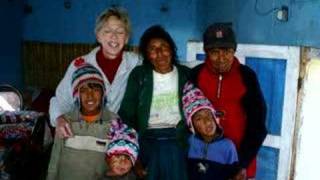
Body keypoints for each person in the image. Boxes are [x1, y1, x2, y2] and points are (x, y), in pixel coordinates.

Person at [49, 7, 141, 138]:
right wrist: (59, 119)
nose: (114, 36)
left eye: (120, 32)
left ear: (126, 38)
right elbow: (60, 99)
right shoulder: (80, 65)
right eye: (107, 31)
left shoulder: (136, 62)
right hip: (83, 131)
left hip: (117, 134)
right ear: (98, 36)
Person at [191, 23, 267, 179]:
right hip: (204, 163)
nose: (221, 58)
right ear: (206, 52)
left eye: (227, 51)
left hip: (239, 162)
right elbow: (187, 118)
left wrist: (243, 163)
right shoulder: (196, 75)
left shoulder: (246, 76)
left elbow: (257, 125)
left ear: (234, 51)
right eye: (214, 52)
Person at [118, 25, 190, 180]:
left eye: (164, 47)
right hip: (148, 137)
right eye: (153, 49)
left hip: (178, 137)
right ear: (146, 54)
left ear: (172, 49)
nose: (160, 53)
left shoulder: (186, 74)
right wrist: (133, 155)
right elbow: (126, 115)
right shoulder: (139, 75)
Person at [47, 63, 118, 180]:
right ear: (76, 95)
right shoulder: (65, 122)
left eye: (95, 89)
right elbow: (54, 162)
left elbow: (119, 166)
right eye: (83, 90)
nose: (90, 96)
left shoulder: (114, 123)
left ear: (103, 94)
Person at [182, 82, 238, 180]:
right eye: (199, 118)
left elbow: (233, 174)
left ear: (215, 117)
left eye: (209, 114)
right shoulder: (190, 142)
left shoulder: (228, 146)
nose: (207, 121)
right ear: (192, 126)